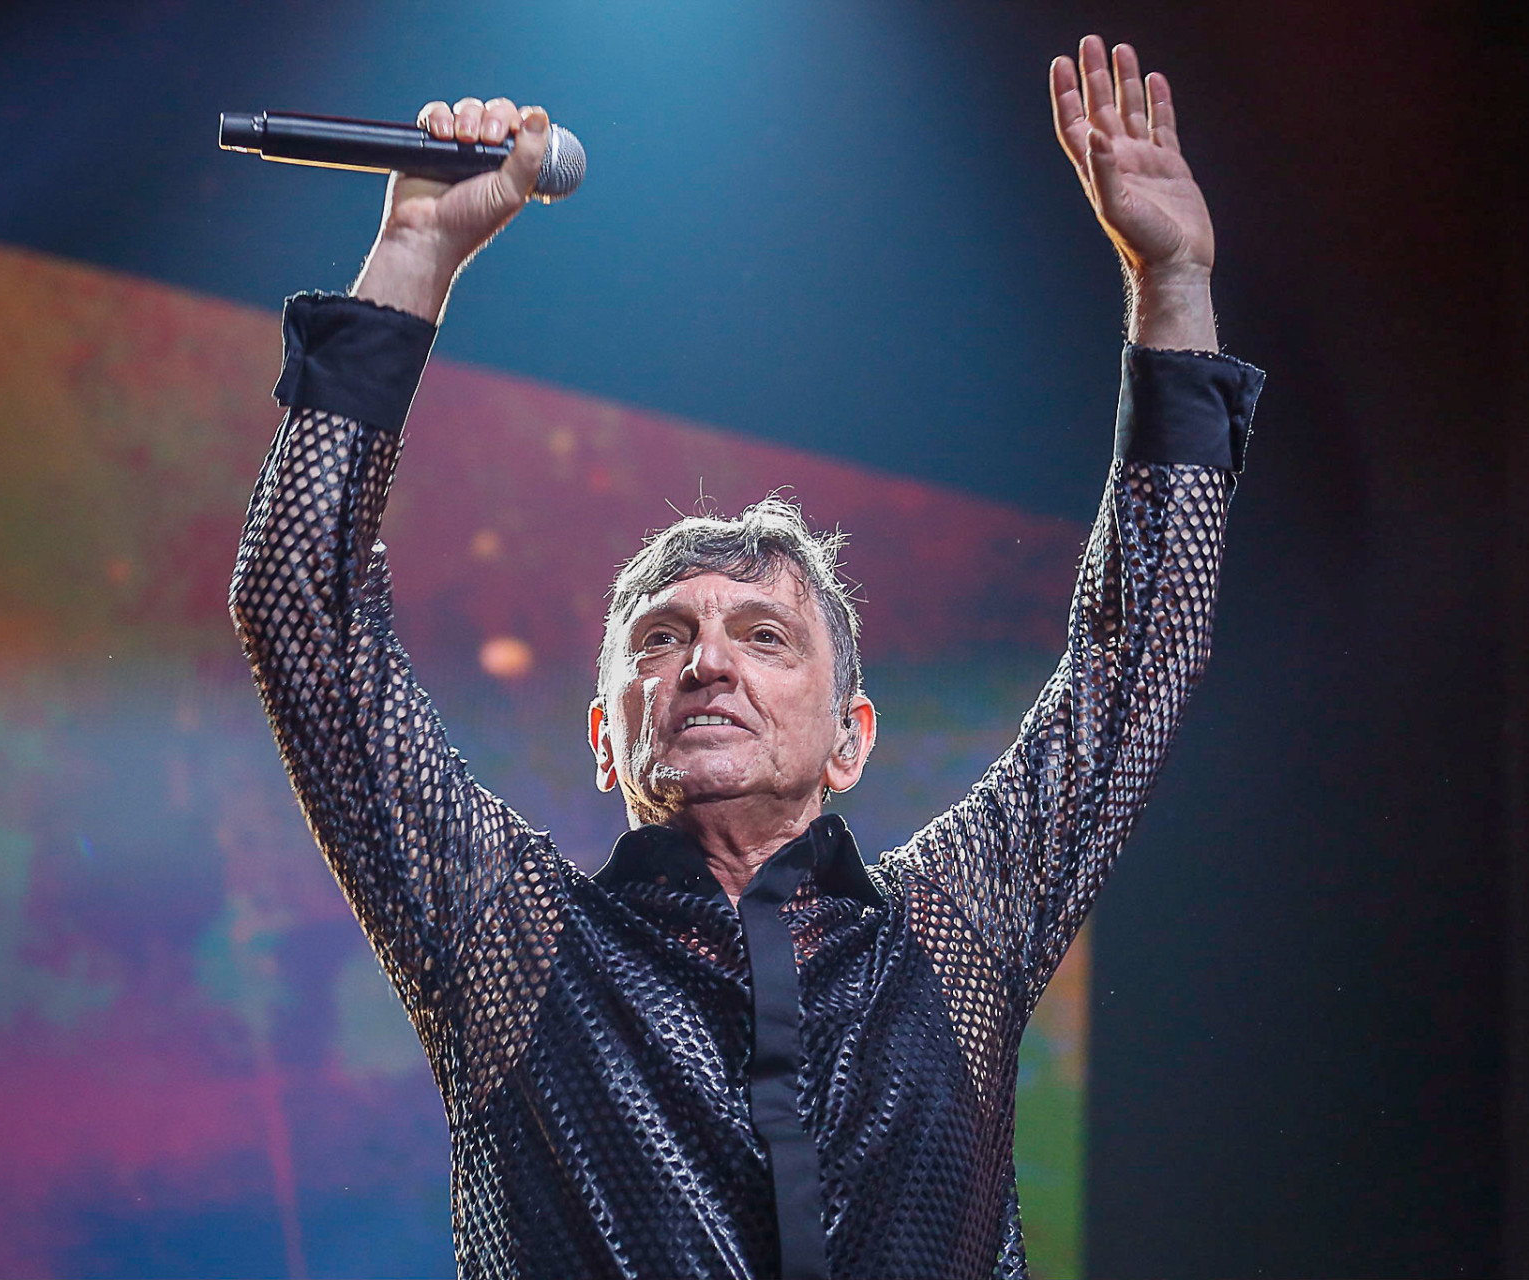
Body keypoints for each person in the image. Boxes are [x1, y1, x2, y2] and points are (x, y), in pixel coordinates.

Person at [231, 35, 1262, 1280]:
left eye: (763, 635)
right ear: (610, 738)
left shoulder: (952, 930)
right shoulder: (513, 935)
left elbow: (1137, 654)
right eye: (661, 640)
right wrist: (413, 254)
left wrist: (1176, 284)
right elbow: (302, 607)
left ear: (851, 734)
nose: (706, 660)